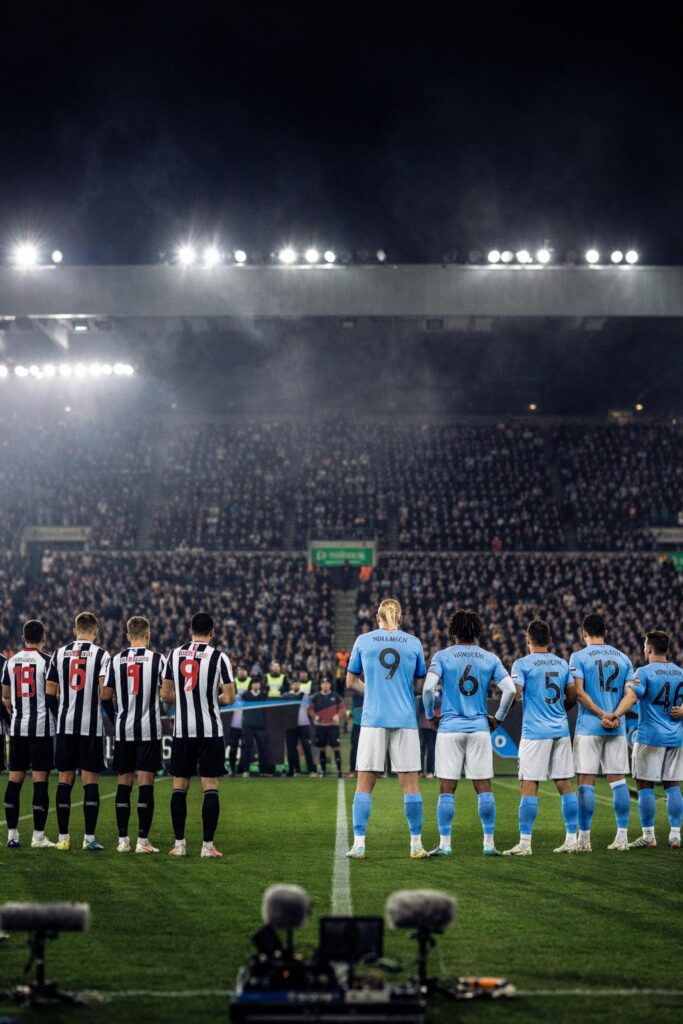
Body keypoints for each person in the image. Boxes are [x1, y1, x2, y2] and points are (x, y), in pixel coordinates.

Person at [422, 608, 515, 857]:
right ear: (477, 632)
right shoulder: (490, 658)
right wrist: (499, 718)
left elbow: (428, 689)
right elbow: (510, 691)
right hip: (479, 729)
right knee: (483, 786)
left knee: (446, 787)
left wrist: (431, 716)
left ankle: (445, 844)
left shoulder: (442, 656)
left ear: (453, 632)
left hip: (450, 728)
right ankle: (488, 843)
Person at [346, 598, 428, 860]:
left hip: (373, 719)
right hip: (405, 719)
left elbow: (350, 682)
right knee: (411, 785)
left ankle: (359, 844)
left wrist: (372, 692)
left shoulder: (363, 640)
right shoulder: (413, 643)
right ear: (400, 617)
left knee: (365, 784)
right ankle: (416, 845)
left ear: (376, 616)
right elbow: (418, 681)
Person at [161, 612, 235, 858]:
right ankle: (207, 846)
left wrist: (184, 700)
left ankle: (179, 844)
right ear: (212, 632)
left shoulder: (174, 654)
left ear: (190, 630)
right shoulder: (219, 657)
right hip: (210, 730)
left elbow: (166, 693)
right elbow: (230, 697)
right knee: (210, 785)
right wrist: (211, 701)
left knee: (179, 785)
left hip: (182, 731)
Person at [503, 619, 579, 856]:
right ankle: (571, 839)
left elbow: (514, 693)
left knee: (529, 785)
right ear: (550, 641)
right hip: (560, 730)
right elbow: (573, 697)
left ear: (527, 640)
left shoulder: (522, 664)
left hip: (535, 733)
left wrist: (500, 712)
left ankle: (525, 844)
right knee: (565, 784)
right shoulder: (562, 663)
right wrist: (557, 711)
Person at [602, 630, 683, 849]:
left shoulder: (644, 672)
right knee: (672, 785)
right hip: (676, 737)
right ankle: (675, 835)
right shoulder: (679, 672)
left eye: (644, 645)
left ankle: (649, 836)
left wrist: (614, 714)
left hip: (650, 736)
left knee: (644, 785)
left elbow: (631, 697)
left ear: (648, 648)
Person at [569, 612, 636, 852]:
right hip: (616, 729)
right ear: (605, 633)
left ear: (584, 633)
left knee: (585, 782)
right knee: (619, 782)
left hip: (589, 727)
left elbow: (579, 692)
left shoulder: (578, 656)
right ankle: (622, 837)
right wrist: (614, 715)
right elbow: (631, 695)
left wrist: (601, 715)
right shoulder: (623, 658)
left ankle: (584, 840)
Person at [46, 611, 111, 851]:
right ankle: (89, 839)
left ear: (75, 630)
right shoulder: (102, 655)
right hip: (90, 727)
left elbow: (50, 691)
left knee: (65, 780)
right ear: (96, 631)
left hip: (65, 726)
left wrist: (62, 711)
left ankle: (63, 838)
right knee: (90, 781)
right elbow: (105, 694)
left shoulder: (59, 653)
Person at [101, 616, 165, 854]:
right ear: (148, 635)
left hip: (123, 729)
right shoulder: (159, 659)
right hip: (148, 730)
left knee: (124, 782)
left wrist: (116, 714)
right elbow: (167, 692)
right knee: (146, 782)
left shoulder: (116, 660)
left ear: (128, 636)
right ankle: (142, 841)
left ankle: (122, 841)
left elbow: (105, 696)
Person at [1, 620, 56, 848]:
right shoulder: (47, 662)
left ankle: (12, 834)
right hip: (41, 729)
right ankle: (38, 837)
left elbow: (4, 695)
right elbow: (53, 695)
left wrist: (14, 709)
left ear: (24, 637)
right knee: (40, 780)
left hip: (18, 729)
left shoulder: (10, 662)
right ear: (43, 638)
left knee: (15, 779)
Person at [309, 677, 343, 777]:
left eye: (327, 683)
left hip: (333, 726)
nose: (325, 685)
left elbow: (342, 708)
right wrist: (315, 716)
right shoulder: (316, 697)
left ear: (330, 685)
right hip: (320, 726)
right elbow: (310, 709)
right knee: (321, 749)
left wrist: (338, 715)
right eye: (323, 683)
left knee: (336, 748)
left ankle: (339, 771)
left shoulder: (336, 696)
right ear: (320, 685)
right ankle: (323, 771)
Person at [285, 678, 316, 776]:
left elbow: (309, 706)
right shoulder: (286, 696)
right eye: (294, 684)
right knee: (291, 749)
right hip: (290, 725)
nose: (295, 686)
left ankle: (311, 770)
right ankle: (292, 770)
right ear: (291, 685)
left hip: (303, 724)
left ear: (299, 685)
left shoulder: (304, 695)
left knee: (307, 748)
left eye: (297, 684)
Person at [240, 678, 270, 776]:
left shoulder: (264, 696)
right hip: (247, 725)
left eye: (257, 683)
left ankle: (263, 771)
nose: (256, 685)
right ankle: (245, 771)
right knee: (247, 748)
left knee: (262, 748)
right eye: (254, 683)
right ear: (251, 685)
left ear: (260, 685)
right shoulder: (245, 695)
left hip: (260, 725)